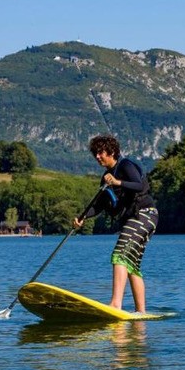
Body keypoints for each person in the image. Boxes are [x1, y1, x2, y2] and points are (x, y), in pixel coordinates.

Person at [74, 134, 158, 313]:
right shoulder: (105, 177)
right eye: (95, 154)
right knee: (131, 264)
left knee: (119, 255)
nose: (97, 157)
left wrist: (117, 181)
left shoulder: (125, 165)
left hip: (144, 214)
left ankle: (115, 304)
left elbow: (139, 186)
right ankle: (141, 313)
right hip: (138, 218)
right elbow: (98, 206)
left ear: (111, 151)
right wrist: (82, 217)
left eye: (100, 152)